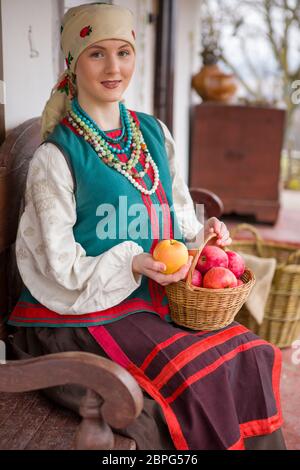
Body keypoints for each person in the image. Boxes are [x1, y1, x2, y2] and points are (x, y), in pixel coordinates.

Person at [7, 3, 285, 450]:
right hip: (81, 313)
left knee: (249, 352)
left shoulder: (154, 133)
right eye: (97, 54)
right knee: (194, 377)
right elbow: (61, 269)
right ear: (73, 64)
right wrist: (134, 262)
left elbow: (177, 215)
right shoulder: (55, 157)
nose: (114, 67)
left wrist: (201, 234)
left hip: (154, 300)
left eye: (123, 51)